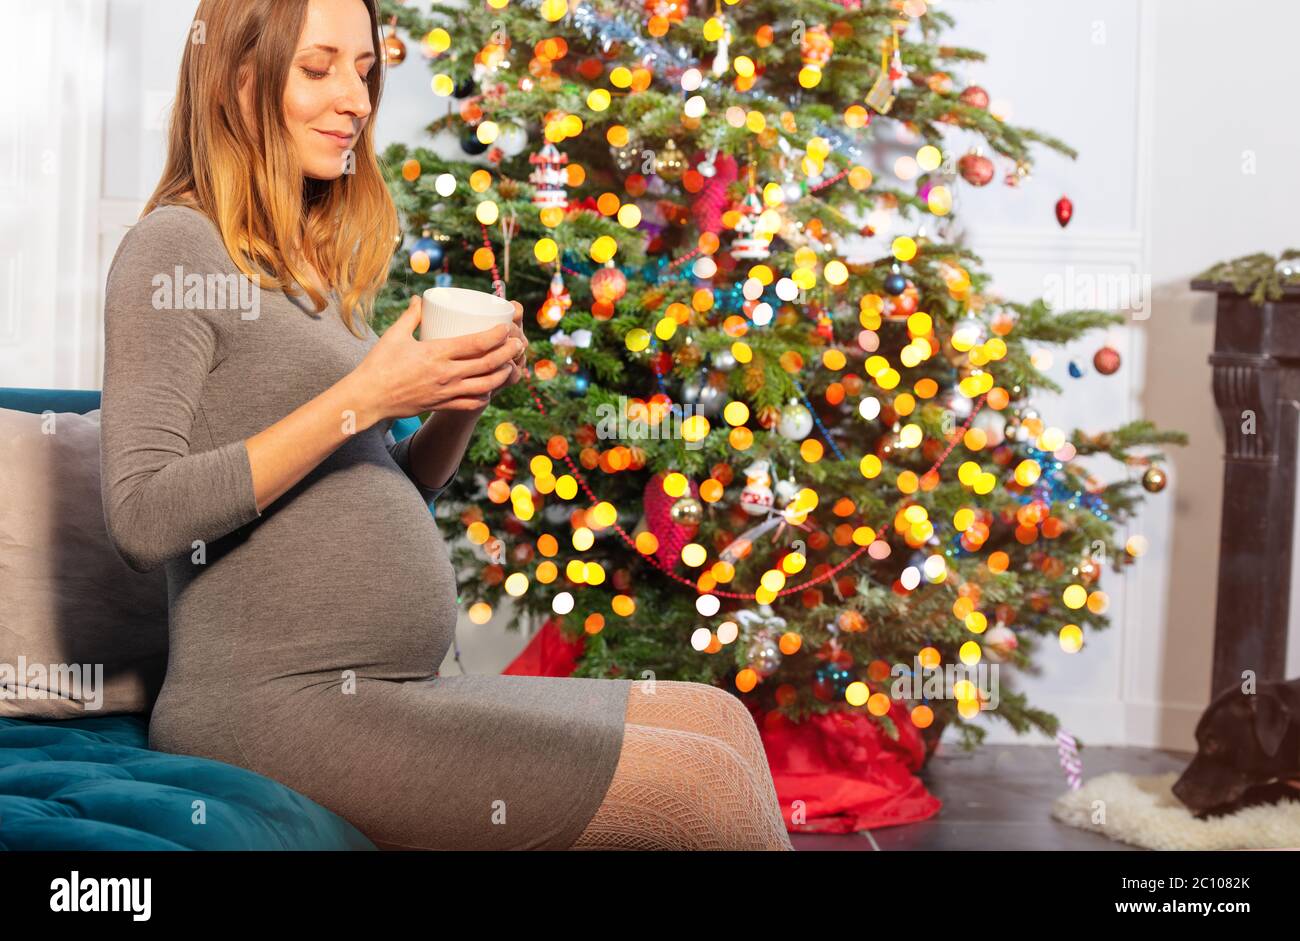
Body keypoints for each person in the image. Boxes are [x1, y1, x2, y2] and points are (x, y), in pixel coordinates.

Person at [99, 0, 792, 851]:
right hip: (271, 703)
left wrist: (456, 401)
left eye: (364, 71)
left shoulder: (307, 266)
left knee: (718, 720)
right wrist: (370, 394)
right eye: (318, 68)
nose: (355, 98)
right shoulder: (174, 248)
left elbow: (383, 481)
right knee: (701, 786)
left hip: (394, 683)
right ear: (238, 82)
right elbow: (140, 513)